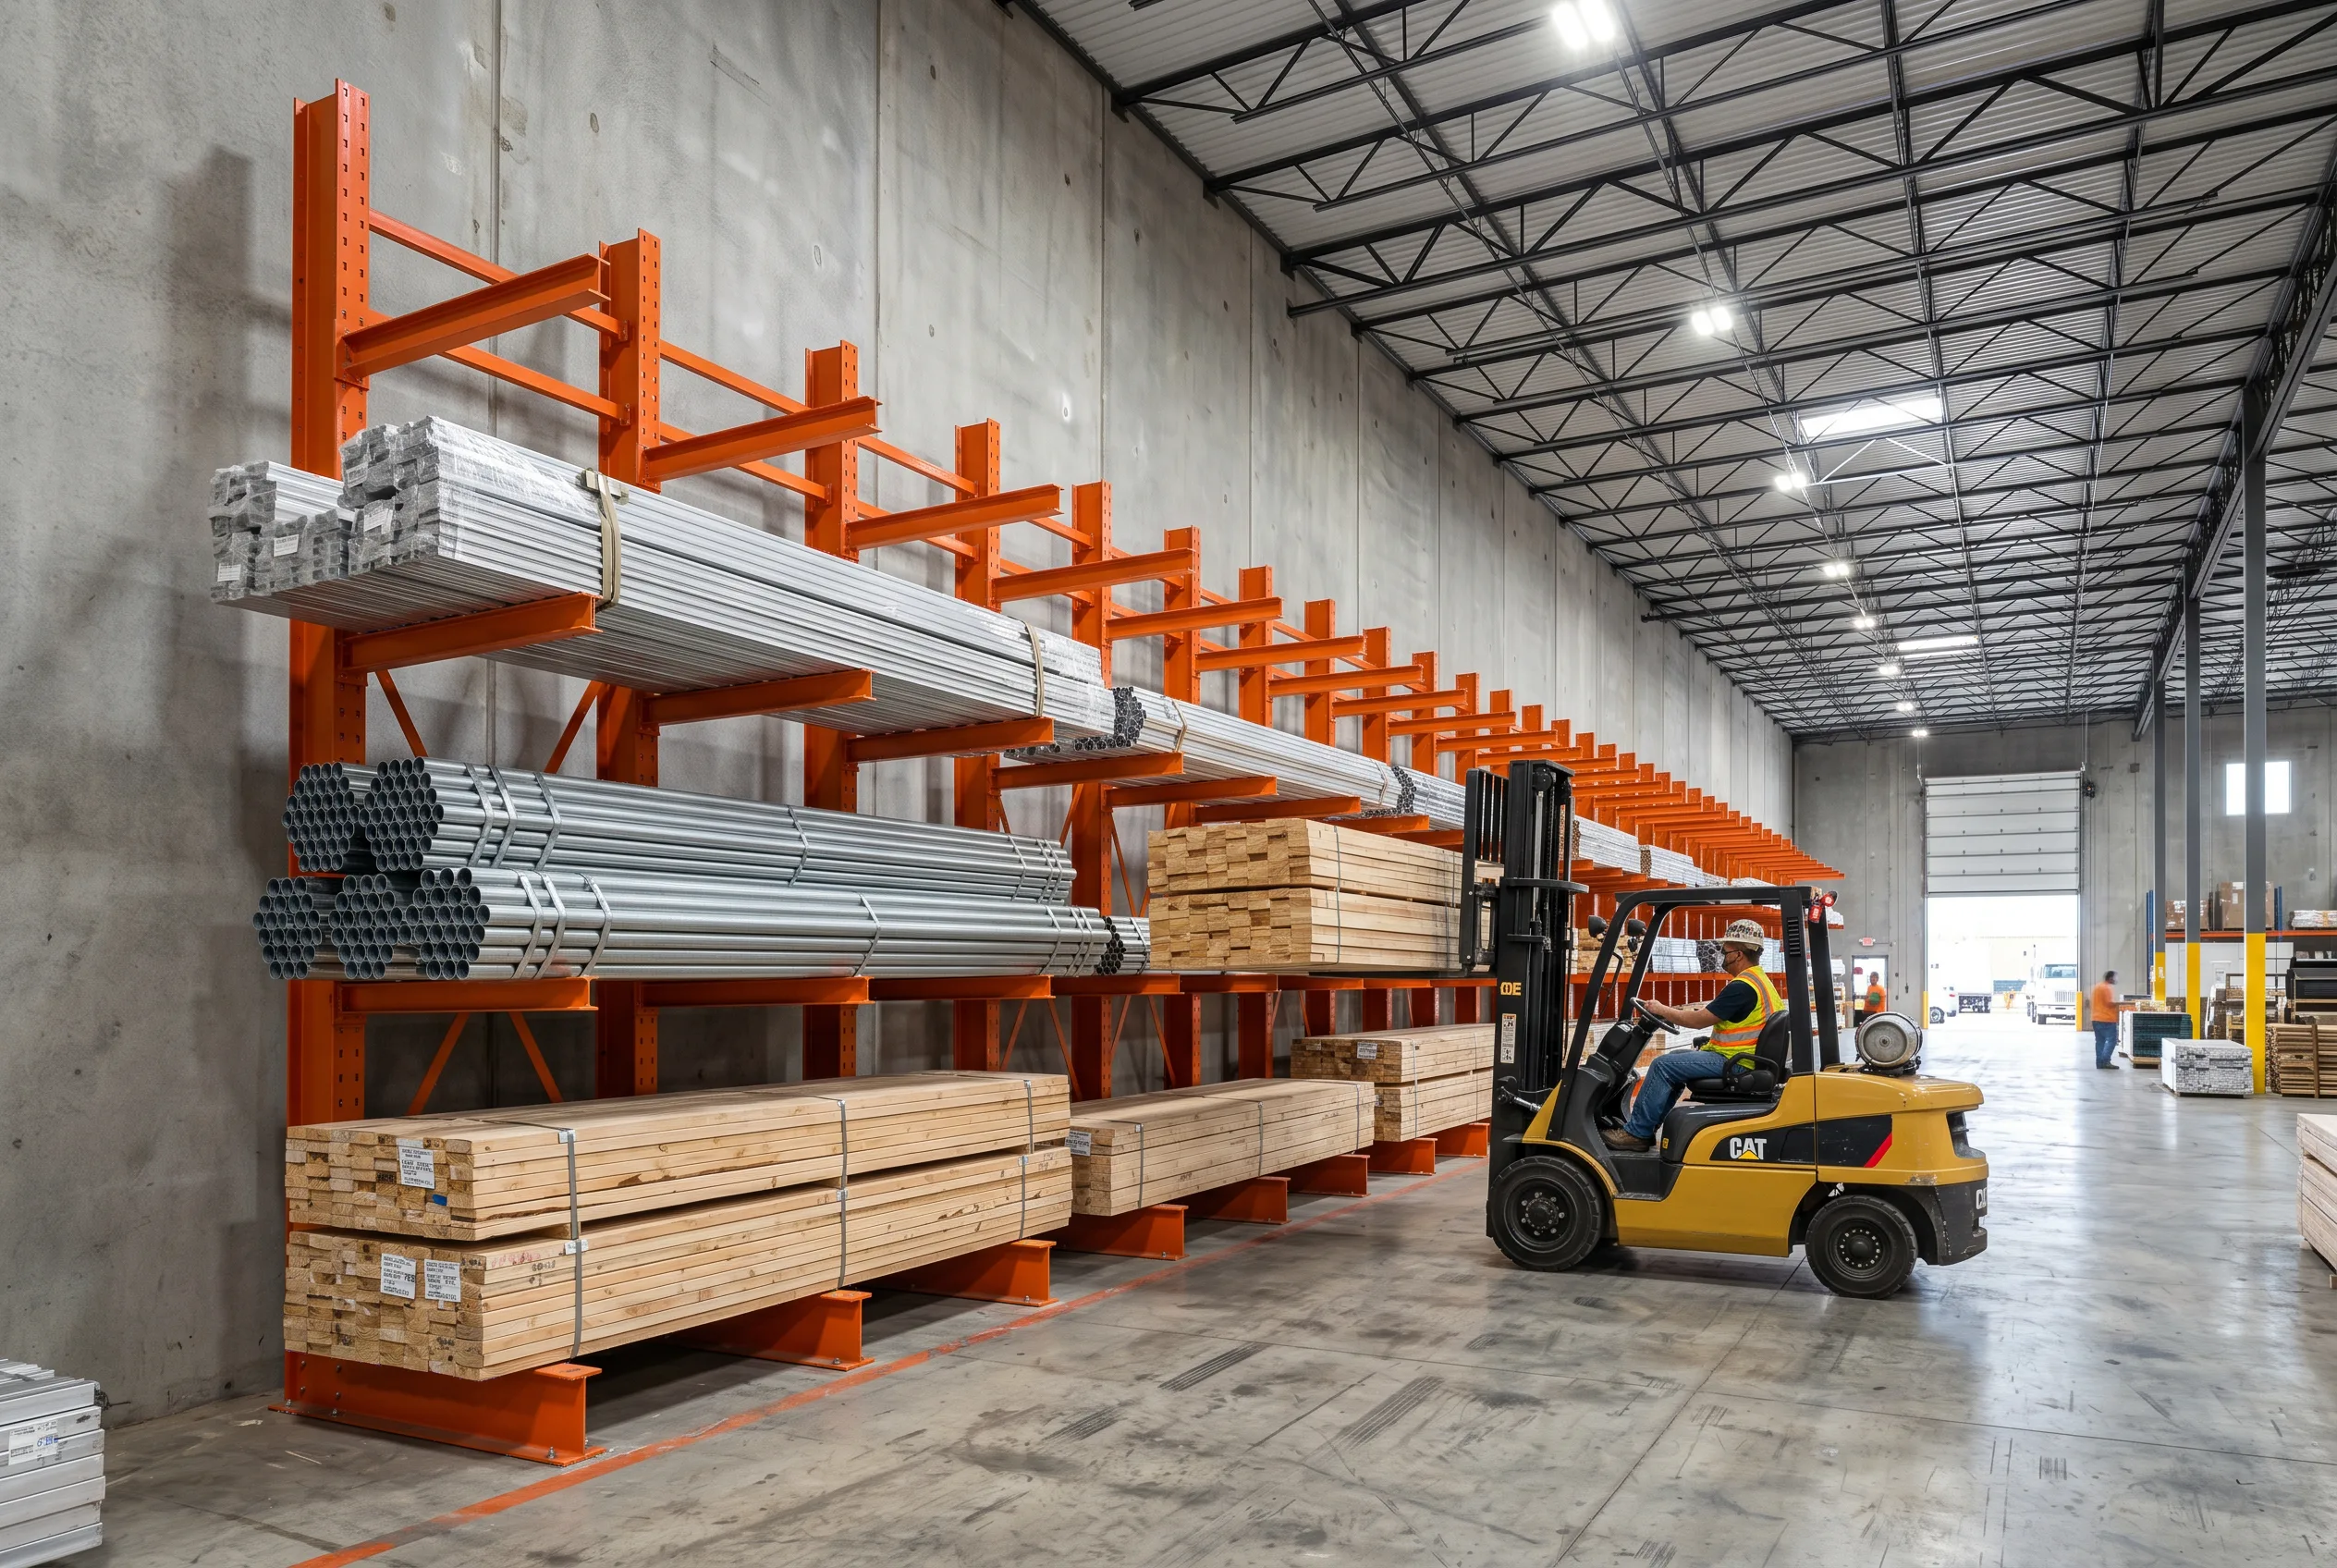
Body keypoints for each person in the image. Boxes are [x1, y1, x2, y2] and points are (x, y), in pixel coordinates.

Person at [1603, 919, 1783, 1152]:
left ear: (1738, 954)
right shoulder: (1760, 982)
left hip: (1736, 1063)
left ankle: (1637, 1134)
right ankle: (1645, 1128)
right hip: (1745, 1058)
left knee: (1661, 1065)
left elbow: (1698, 1021)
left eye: (1724, 950)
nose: (1721, 956)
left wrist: (1660, 1009)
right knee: (1676, 1059)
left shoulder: (1742, 986)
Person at [2091, 971, 2120, 1068]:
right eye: (2115, 977)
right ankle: (2105, 1061)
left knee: (2100, 1041)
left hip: (2096, 1018)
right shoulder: (2107, 988)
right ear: (2110, 978)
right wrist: (2119, 1004)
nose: (2116, 980)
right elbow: (2109, 1003)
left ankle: (2099, 1063)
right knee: (2112, 1041)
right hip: (2107, 1019)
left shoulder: (2097, 987)